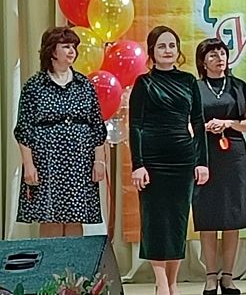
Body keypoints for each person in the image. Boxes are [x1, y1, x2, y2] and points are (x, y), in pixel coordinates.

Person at [130, 26, 209, 295]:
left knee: (177, 221)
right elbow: (135, 126)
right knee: (154, 221)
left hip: (182, 159)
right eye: (162, 46)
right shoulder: (144, 83)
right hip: (152, 161)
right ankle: (161, 283)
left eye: (172, 45)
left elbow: (198, 122)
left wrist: (202, 162)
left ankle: (172, 282)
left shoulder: (189, 81)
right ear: (152, 51)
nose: (167, 51)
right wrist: (138, 164)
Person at [14, 26, 107, 237]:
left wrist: (99, 161)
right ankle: (50, 260)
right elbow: (23, 130)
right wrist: (29, 165)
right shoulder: (35, 86)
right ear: (51, 50)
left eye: (73, 47)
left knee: (76, 215)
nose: (72, 51)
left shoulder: (84, 85)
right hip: (46, 161)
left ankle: (74, 260)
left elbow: (97, 127)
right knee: (50, 216)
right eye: (66, 46)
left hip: (79, 161)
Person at [192, 38, 246, 295]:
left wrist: (228, 123)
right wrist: (204, 127)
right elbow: (186, 124)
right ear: (203, 61)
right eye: (212, 54)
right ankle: (210, 276)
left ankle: (228, 277)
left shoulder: (239, 86)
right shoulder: (195, 88)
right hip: (205, 155)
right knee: (207, 217)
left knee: (232, 217)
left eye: (222, 53)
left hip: (234, 156)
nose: (219, 58)